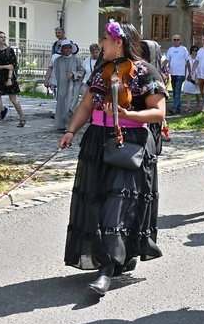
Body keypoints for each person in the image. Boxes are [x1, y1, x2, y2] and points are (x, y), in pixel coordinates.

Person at [60, 20, 168, 295]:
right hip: (97, 140)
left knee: (117, 204)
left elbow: (158, 113)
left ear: (118, 42)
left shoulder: (146, 72)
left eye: (105, 39)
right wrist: (71, 131)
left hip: (129, 143)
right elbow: (86, 104)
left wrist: (127, 114)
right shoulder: (100, 71)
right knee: (96, 200)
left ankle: (107, 268)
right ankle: (117, 254)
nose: (102, 44)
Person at [50, 40, 85, 131]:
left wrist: (73, 74)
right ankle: (62, 125)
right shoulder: (57, 61)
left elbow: (81, 71)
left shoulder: (76, 60)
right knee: (61, 106)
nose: (67, 50)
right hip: (62, 86)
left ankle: (71, 126)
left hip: (73, 86)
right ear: (62, 49)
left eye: (69, 48)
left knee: (70, 107)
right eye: (65, 48)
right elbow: (54, 72)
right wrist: (53, 83)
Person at [162, 34, 189, 114]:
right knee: (174, 92)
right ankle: (178, 108)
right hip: (172, 73)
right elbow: (167, 60)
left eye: (178, 40)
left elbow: (187, 62)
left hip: (180, 74)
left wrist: (189, 73)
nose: (176, 41)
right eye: (174, 40)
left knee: (177, 91)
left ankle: (174, 108)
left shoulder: (183, 49)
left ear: (180, 40)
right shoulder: (170, 49)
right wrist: (160, 66)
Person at [182, 45, 202, 112]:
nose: (194, 52)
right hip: (189, 76)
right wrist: (185, 76)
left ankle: (198, 104)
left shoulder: (199, 58)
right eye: (193, 50)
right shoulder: (188, 58)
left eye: (196, 50)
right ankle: (188, 107)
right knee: (188, 92)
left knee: (197, 92)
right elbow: (185, 67)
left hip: (197, 75)